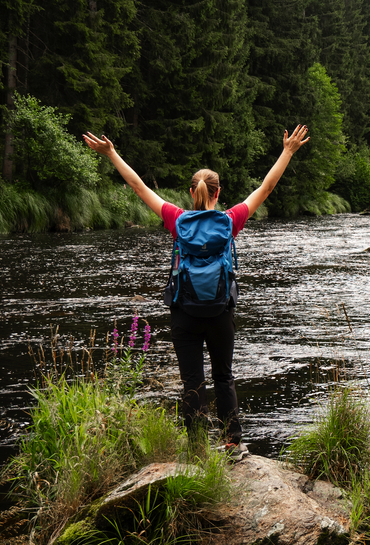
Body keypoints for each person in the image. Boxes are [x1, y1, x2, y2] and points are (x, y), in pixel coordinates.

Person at [84, 126, 310, 451]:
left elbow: (138, 186)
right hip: (220, 311)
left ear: (192, 192)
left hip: (184, 313)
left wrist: (111, 154)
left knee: (193, 381)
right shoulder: (230, 221)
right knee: (224, 377)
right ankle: (232, 444)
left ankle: (197, 449)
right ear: (218, 193)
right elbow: (267, 186)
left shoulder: (177, 220)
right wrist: (287, 151)